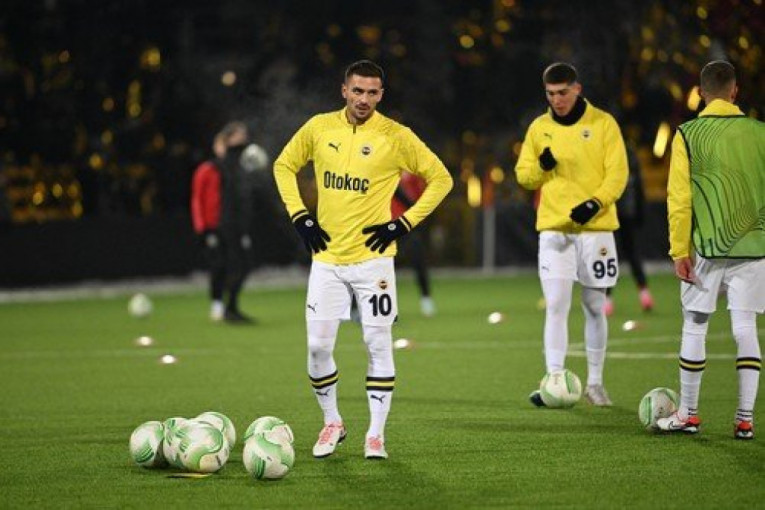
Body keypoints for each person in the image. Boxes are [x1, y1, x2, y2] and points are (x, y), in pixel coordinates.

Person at [273, 60, 453, 459]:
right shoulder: (319, 128)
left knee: (377, 342)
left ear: (381, 95)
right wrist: (300, 216)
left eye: (372, 93)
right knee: (317, 347)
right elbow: (283, 165)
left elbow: (442, 178)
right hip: (327, 259)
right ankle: (332, 422)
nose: (364, 99)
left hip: (374, 262)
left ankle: (376, 434)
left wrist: (403, 224)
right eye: (357, 91)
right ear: (344, 90)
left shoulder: (396, 136)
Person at [657, 60, 764, 439]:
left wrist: (678, 250)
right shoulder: (760, 133)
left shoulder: (688, 134)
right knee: (745, 327)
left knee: (695, 324)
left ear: (701, 94)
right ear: (735, 91)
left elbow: (679, 199)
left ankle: (688, 415)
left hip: (707, 246)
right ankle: (745, 419)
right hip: (754, 244)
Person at [514, 62, 628, 407]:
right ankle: (554, 379)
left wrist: (595, 203)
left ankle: (595, 383)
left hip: (596, 230)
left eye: (562, 92)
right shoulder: (539, 128)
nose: (557, 100)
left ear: (577, 89)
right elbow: (523, 176)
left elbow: (618, 175)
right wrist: (541, 167)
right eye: (550, 94)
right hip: (554, 230)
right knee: (556, 305)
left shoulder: (603, 124)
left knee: (594, 305)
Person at [190, 121, 257, 324]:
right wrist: (203, 229)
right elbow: (197, 200)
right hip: (213, 227)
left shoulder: (237, 168)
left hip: (230, 225)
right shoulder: (208, 169)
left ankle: (229, 306)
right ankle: (218, 305)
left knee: (237, 264)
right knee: (218, 265)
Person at [603, 146, 654, 316]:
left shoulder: (607, 154)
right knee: (632, 254)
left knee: (610, 256)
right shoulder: (631, 156)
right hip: (629, 213)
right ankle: (644, 294)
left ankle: (607, 300)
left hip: (611, 214)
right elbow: (639, 188)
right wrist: (639, 213)